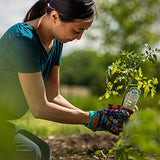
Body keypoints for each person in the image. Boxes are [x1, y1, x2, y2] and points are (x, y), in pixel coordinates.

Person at [0, 0, 131, 159]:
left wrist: (94, 116)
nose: (79, 38)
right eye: (77, 30)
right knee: (29, 152)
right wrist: (94, 119)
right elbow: (39, 108)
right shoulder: (23, 40)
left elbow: (52, 96)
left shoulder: (56, 43)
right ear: (55, 16)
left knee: (43, 151)